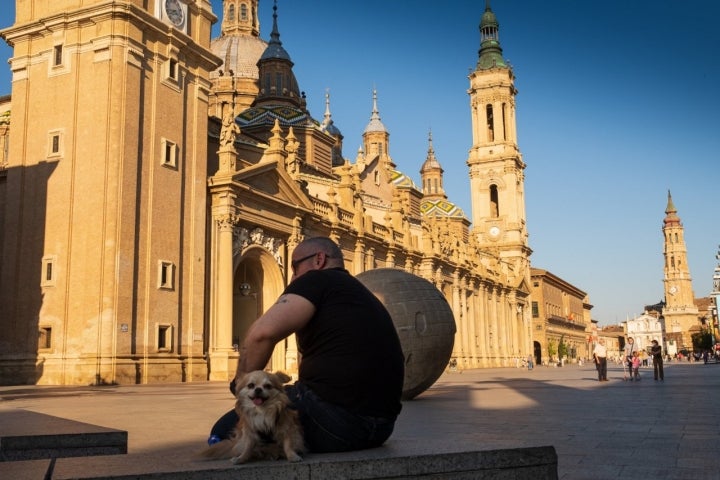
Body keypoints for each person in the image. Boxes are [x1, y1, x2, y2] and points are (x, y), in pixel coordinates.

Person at [209, 236, 405, 453]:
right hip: (381, 428)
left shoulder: (316, 280)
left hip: (336, 423)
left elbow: (261, 335)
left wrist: (240, 385)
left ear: (319, 259)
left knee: (221, 432)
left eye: (295, 267)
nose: (292, 277)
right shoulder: (360, 293)